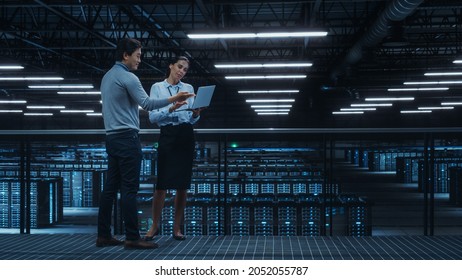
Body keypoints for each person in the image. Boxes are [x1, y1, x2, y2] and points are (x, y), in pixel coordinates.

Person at [96, 39, 194, 250]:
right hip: (127, 138)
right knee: (129, 190)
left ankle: (103, 235)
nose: (140, 60)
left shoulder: (107, 77)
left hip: (111, 138)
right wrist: (173, 100)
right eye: (138, 55)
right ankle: (132, 237)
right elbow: (148, 104)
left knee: (110, 189)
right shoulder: (128, 77)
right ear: (126, 55)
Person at [144, 56, 205, 241]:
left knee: (182, 186)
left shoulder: (189, 89)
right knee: (162, 184)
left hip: (186, 135)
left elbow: (192, 119)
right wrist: (171, 108)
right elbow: (153, 118)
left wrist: (196, 114)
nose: (181, 71)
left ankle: (177, 228)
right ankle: (154, 226)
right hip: (168, 134)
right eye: (179, 67)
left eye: (185, 69)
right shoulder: (158, 88)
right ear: (171, 66)